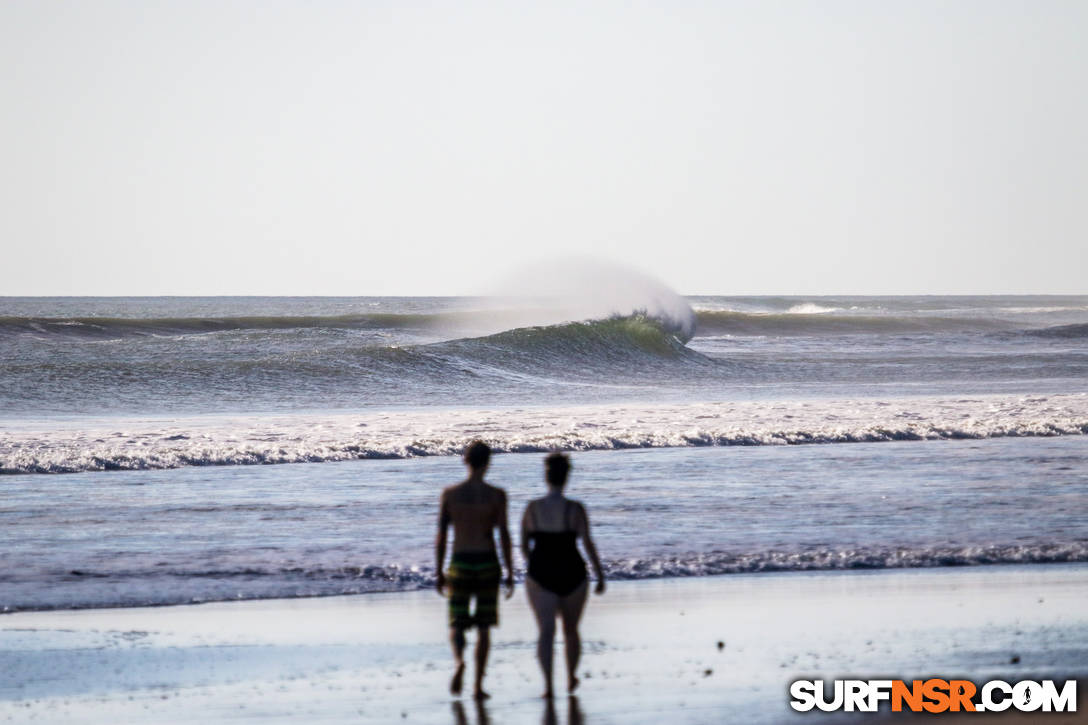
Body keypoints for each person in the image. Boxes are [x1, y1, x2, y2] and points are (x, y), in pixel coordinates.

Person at [521, 452, 605, 698]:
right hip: (573, 572)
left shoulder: (533, 508)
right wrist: (599, 575)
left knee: (546, 632)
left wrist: (535, 566)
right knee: (571, 630)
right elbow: (587, 544)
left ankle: (548, 686)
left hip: (541, 573)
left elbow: (524, 546)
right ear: (567, 477)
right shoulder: (575, 509)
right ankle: (570, 677)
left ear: (545, 476)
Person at [436, 440, 514, 700]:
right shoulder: (496, 495)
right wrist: (510, 571)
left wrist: (439, 570)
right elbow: (503, 535)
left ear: (464, 460)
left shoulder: (450, 494)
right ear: (488, 462)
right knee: (483, 627)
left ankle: (459, 661)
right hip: (487, 562)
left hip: (459, 561)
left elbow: (441, 536)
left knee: (457, 622)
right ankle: (478, 686)